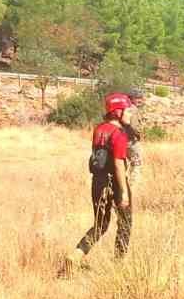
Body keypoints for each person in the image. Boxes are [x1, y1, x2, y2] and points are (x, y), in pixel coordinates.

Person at [62, 93, 134, 274]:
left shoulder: (100, 129)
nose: (130, 114)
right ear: (118, 112)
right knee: (125, 223)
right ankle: (119, 265)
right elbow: (118, 164)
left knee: (100, 225)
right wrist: (123, 192)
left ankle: (76, 254)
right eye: (128, 110)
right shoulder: (118, 134)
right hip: (115, 183)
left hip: (98, 182)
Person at [124, 88, 147, 185]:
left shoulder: (125, 109)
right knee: (136, 165)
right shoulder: (133, 109)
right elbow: (133, 126)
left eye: (141, 98)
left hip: (124, 141)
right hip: (132, 142)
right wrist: (140, 133)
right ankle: (133, 185)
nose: (140, 100)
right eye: (137, 98)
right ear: (131, 98)